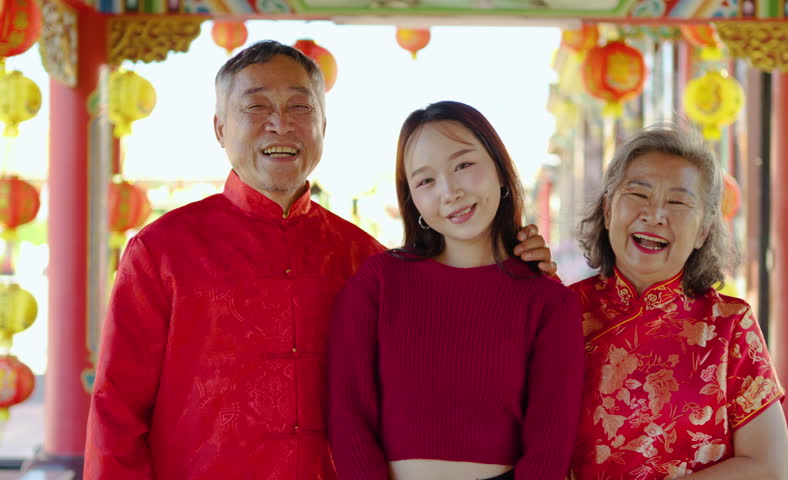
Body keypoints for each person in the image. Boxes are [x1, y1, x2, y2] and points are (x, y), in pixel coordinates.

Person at [83, 42, 555, 479]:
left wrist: (513, 261)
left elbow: (456, 349)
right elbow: (116, 412)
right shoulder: (162, 251)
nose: (280, 123)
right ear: (220, 129)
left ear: (323, 127)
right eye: (255, 107)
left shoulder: (365, 259)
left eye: (300, 107)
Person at [327, 100, 585, 480]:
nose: (449, 192)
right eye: (425, 181)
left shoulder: (549, 303)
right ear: (412, 199)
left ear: (500, 171)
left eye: (463, 165)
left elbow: (549, 447)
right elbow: (348, 417)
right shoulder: (377, 284)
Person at [568, 125, 788, 479]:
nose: (654, 214)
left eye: (677, 202)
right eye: (638, 194)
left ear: (703, 230)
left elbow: (771, 467)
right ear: (608, 210)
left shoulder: (729, 326)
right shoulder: (564, 311)